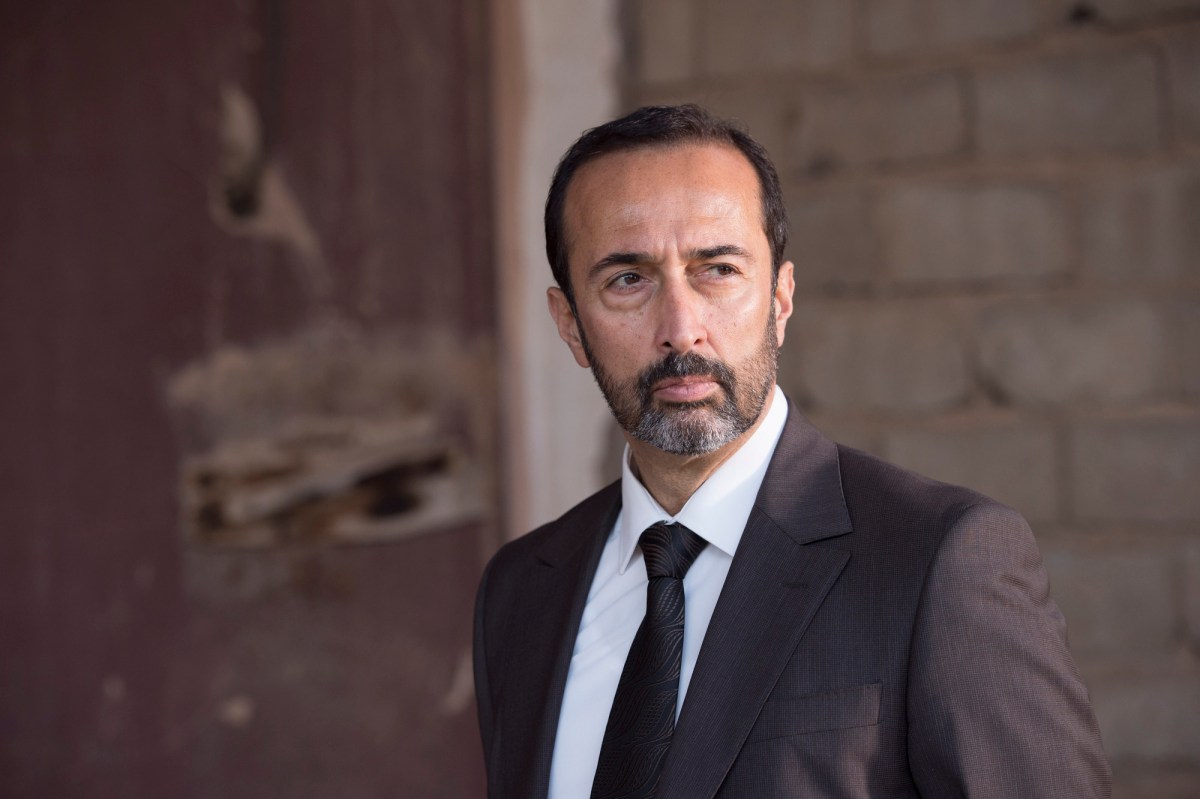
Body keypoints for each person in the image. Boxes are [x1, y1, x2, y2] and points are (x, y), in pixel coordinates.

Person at [473, 104, 1110, 799]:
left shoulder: (940, 559)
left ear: (779, 298)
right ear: (570, 324)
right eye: (628, 279)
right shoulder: (520, 591)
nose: (681, 328)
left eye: (718, 269)